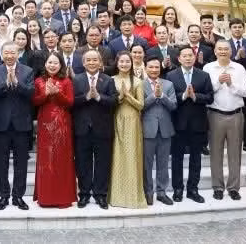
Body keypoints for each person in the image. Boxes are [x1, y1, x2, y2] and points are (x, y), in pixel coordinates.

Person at [0, 42, 35, 211]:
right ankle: (3, 196)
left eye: (12, 52)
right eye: (6, 52)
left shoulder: (28, 71)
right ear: (2, 55)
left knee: (20, 163)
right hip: (1, 124)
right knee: (1, 163)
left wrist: (17, 83)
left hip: (21, 124)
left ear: (18, 54)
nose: (9, 55)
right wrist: (4, 85)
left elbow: (31, 93)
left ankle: (18, 196)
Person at [166, 45, 214, 203]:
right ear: (179, 59)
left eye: (190, 55)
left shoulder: (204, 75)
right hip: (178, 123)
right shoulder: (171, 76)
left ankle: (193, 189)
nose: (187, 58)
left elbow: (210, 97)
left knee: (196, 158)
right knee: (177, 159)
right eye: (184, 56)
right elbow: (169, 98)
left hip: (198, 123)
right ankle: (178, 189)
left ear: (194, 58)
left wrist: (195, 97)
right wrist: (183, 95)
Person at [203, 40, 246, 201]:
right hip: (215, 114)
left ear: (231, 51)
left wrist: (231, 84)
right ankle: (217, 187)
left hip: (236, 115)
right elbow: (206, 91)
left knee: (235, 153)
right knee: (215, 153)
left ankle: (233, 187)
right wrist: (218, 82)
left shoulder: (239, 68)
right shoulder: (208, 68)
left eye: (226, 49)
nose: (223, 51)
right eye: (220, 49)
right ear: (215, 51)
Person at [72, 50, 116, 209]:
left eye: (94, 60)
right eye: (88, 60)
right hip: (82, 129)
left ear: (100, 62)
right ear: (83, 63)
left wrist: (98, 97)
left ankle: (100, 194)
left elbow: (114, 101)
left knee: (102, 162)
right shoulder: (76, 80)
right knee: (82, 163)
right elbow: (71, 102)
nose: (91, 62)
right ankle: (84, 194)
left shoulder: (108, 80)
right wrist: (86, 97)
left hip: (102, 129)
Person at [32, 53, 76, 208]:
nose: (52, 65)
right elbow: (35, 101)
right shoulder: (38, 81)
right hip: (45, 124)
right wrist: (46, 94)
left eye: (56, 62)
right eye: (50, 62)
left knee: (62, 159)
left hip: (62, 125)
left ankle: (62, 198)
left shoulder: (66, 81)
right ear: (45, 64)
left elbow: (70, 103)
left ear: (61, 65)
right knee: (47, 160)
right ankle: (46, 198)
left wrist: (57, 93)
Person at [108, 51, 147, 209]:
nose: (124, 64)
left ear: (131, 63)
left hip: (132, 121)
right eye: (121, 61)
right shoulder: (111, 80)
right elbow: (110, 102)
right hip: (116, 119)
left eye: (127, 62)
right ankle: (116, 196)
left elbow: (141, 105)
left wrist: (128, 96)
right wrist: (119, 97)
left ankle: (132, 196)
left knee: (132, 156)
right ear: (117, 63)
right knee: (117, 155)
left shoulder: (137, 81)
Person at [142, 56, 177, 206]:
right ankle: (148, 192)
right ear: (145, 68)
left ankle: (162, 192)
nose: (154, 70)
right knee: (146, 165)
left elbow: (173, 105)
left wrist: (161, 96)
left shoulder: (168, 84)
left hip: (165, 130)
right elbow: (140, 106)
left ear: (160, 68)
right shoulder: (140, 85)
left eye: (157, 67)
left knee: (163, 164)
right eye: (151, 67)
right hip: (147, 130)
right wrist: (152, 96)